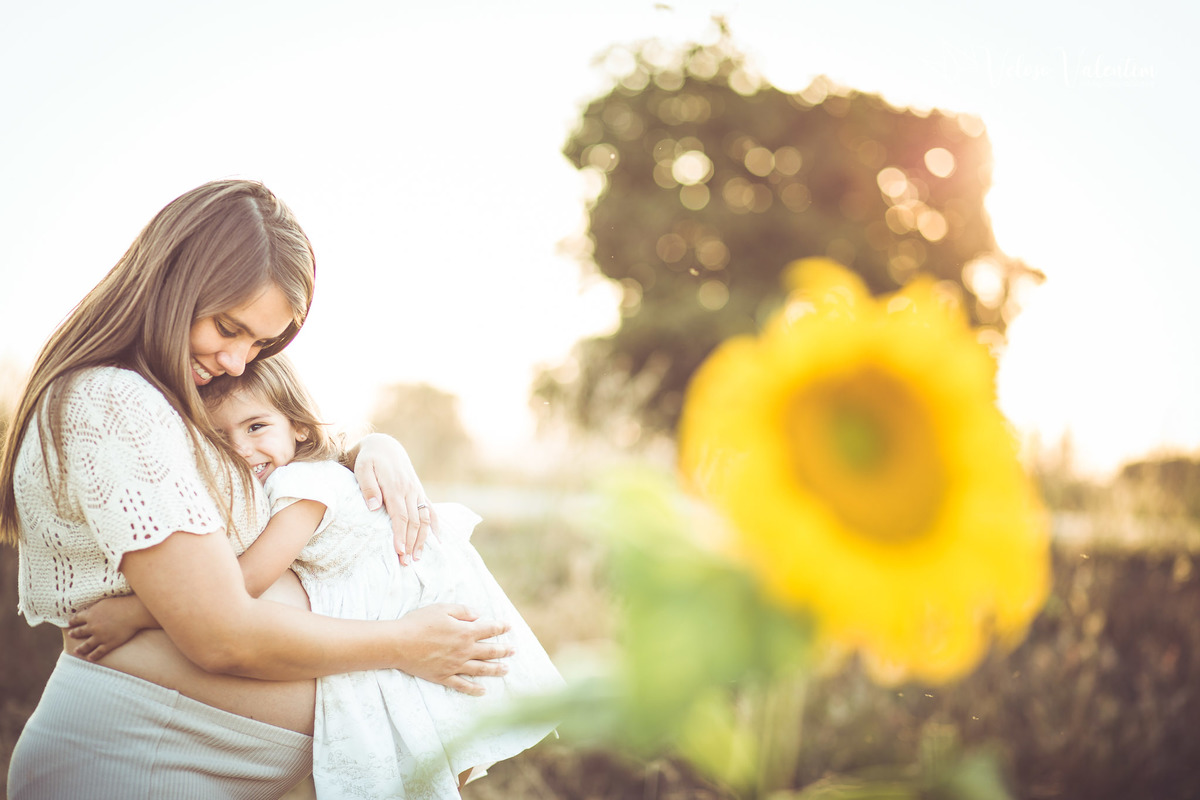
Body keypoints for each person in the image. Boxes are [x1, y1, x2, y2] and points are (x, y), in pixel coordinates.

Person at [0, 179, 512, 799]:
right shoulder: (112, 403)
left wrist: (369, 449)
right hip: (131, 765)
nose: (239, 362)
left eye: (261, 344)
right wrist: (406, 644)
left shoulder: (164, 402)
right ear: (172, 282)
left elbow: (264, 460)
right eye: (227, 327)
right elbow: (220, 636)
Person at [67, 355, 564, 798]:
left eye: (256, 427)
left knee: (421, 762)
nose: (241, 448)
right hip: (415, 607)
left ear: (298, 428)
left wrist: (131, 614)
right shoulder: (296, 476)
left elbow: (245, 581)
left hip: (421, 607)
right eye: (222, 438)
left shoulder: (302, 484)